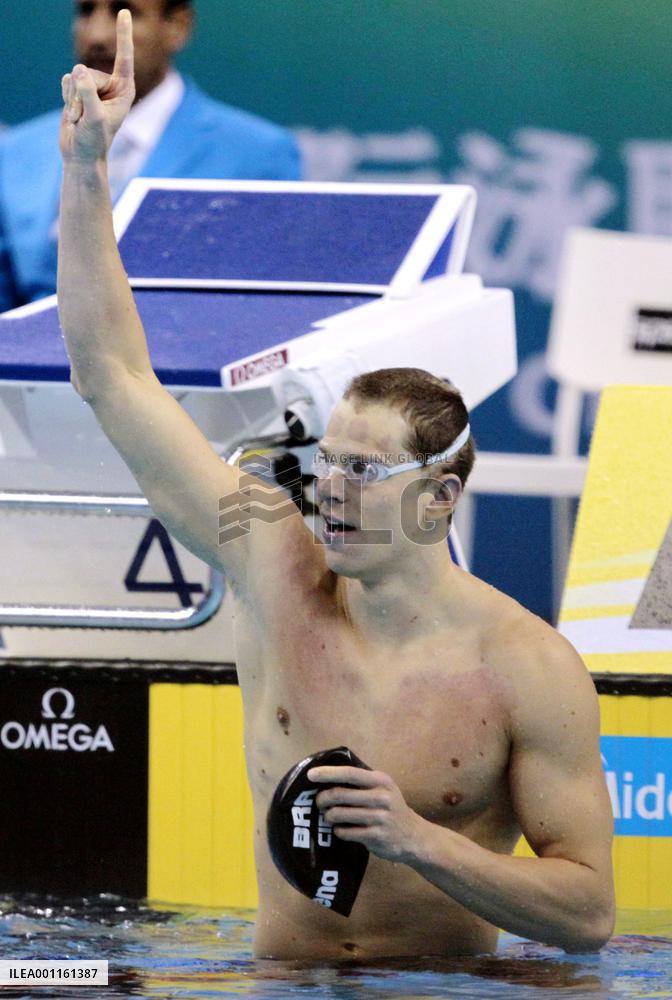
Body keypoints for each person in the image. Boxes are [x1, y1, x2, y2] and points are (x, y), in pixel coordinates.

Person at [57, 11, 615, 961]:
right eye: (326, 463)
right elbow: (113, 375)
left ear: (440, 498)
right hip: (276, 980)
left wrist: (420, 842)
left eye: (364, 470)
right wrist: (84, 169)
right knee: (35, 975)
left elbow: (590, 918)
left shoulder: (527, 667)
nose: (330, 489)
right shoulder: (268, 554)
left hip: (448, 993)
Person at [0, 0, 300, 312]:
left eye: (124, 13)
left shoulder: (258, 155)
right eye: (87, 11)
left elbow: (267, 312)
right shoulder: (17, 151)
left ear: (177, 26)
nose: (97, 36)